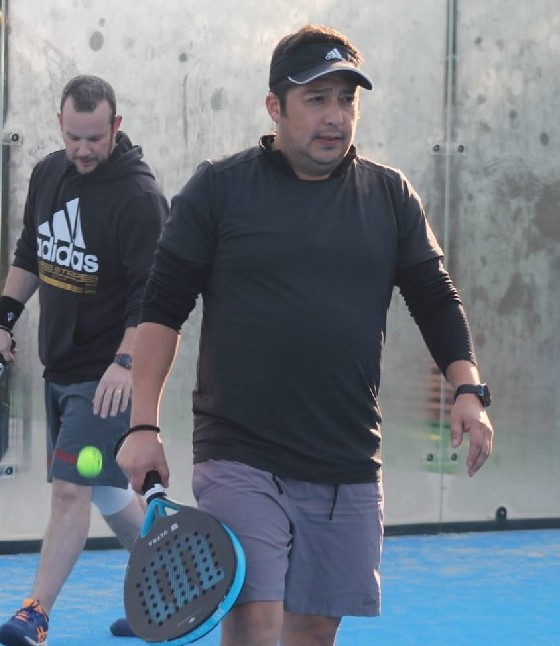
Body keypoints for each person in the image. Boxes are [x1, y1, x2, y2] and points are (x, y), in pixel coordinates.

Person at [117, 24, 494, 646]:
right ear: (275, 106)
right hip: (239, 450)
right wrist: (142, 426)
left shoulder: (390, 195)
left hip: (346, 455)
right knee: (254, 617)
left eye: (346, 99)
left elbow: (435, 296)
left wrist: (468, 389)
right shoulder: (219, 188)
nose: (335, 116)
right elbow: (162, 309)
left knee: (315, 630)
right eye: (316, 99)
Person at [0, 75, 168, 646]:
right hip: (61, 365)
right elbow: (32, 251)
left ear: (116, 126)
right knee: (107, 490)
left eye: (95, 137)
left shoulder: (139, 198)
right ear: (60, 124)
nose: (84, 149)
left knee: (71, 490)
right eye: (74, 137)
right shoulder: (49, 172)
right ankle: (171, 588)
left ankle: (35, 614)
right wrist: (4, 318)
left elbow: (152, 297)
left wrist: (125, 362)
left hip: (105, 378)